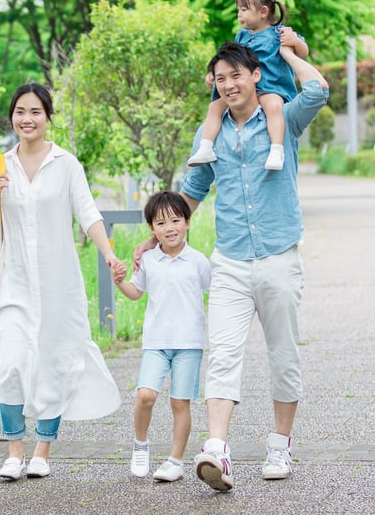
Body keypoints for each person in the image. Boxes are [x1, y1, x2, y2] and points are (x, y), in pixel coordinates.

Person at [137, 42, 328, 491]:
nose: (229, 85)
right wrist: (157, 232)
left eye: (236, 76)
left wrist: (292, 51)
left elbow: (318, 89)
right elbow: (193, 191)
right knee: (222, 353)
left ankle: (279, 444)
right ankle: (217, 448)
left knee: (283, 354)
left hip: (280, 255)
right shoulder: (213, 132)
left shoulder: (283, 118)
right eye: (221, 78)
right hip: (231, 260)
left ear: (255, 75)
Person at [0, 82, 124, 481]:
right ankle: (13, 450)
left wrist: (108, 254)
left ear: (47, 117)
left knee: (54, 362)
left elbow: (88, 212)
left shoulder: (66, 163)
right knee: (10, 362)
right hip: (13, 282)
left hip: (59, 283)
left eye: (35, 112)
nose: (27, 119)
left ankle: (42, 449)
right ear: (11, 117)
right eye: (20, 112)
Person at [112, 191, 210, 482]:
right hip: (156, 342)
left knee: (180, 403)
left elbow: (218, 293)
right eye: (161, 223)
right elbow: (135, 293)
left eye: (176, 220)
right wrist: (119, 281)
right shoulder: (149, 260)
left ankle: (175, 461)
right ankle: (140, 445)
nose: (170, 228)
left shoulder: (198, 261)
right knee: (145, 395)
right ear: (152, 230)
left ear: (188, 223)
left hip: (189, 343)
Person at [186, 0, 309, 171]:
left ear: (263, 11)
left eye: (244, 9)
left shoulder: (280, 32)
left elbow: (303, 52)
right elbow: (230, 60)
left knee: (274, 107)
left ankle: (277, 149)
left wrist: (295, 42)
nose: (239, 14)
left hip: (270, 87)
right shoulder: (242, 36)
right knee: (214, 107)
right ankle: (206, 147)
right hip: (245, 88)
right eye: (238, 9)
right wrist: (213, 73)